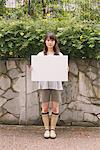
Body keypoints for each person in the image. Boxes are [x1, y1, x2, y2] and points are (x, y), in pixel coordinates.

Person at [30, 32, 65, 139]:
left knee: (55, 108)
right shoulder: (40, 55)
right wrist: (33, 68)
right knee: (44, 108)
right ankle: (46, 129)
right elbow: (35, 69)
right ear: (45, 42)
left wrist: (65, 69)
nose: (50, 42)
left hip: (56, 85)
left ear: (55, 42)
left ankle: (53, 130)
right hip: (44, 84)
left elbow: (63, 71)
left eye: (52, 40)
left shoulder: (60, 56)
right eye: (48, 40)